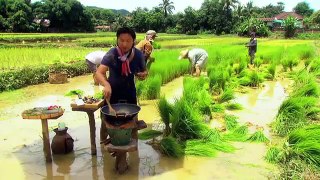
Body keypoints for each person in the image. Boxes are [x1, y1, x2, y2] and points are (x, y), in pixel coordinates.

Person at [95, 27, 148, 140]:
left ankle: (134, 154)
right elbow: (99, 72)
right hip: (111, 94)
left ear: (133, 41)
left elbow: (144, 71)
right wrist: (106, 84)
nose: (124, 44)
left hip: (129, 95)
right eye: (121, 40)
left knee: (132, 126)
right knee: (106, 126)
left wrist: (142, 75)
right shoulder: (112, 53)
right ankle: (104, 151)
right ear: (117, 40)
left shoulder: (138, 55)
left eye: (128, 41)